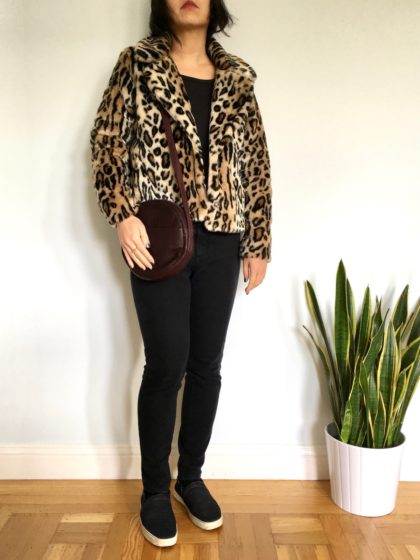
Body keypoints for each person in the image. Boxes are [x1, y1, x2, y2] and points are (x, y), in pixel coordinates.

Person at [89, 0, 272, 548]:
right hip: (160, 236)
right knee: (166, 364)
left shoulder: (238, 78)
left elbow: (257, 164)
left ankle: (190, 478)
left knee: (207, 365)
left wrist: (258, 243)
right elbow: (105, 142)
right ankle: (154, 490)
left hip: (224, 238)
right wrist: (122, 213)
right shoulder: (137, 64)